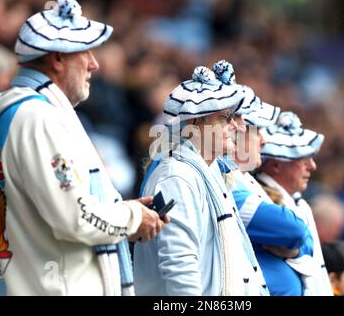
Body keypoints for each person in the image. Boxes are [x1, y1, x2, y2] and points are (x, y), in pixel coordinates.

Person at [0, 0, 167, 295]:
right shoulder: (38, 118)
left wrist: (123, 212)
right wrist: (131, 218)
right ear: (58, 58)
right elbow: (74, 216)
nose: (94, 64)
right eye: (86, 51)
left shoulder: (15, 116)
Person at [134, 66, 269, 296]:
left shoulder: (212, 170)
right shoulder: (175, 177)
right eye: (225, 118)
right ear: (195, 123)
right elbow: (180, 267)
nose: (236, 126)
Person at [212, 60, 314, 296]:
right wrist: (295, 244)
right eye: (257, 131)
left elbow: (304, 237)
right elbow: (295, 231)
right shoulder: (224, 180)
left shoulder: (241, 178)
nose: (264, 140)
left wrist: (295, 250)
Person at [256, 112, 333, 295]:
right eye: (302, 159)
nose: (312, 166)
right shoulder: (259, 197)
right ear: (275, 165)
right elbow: (295, 232)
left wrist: (297, 250)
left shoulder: (298, 203)